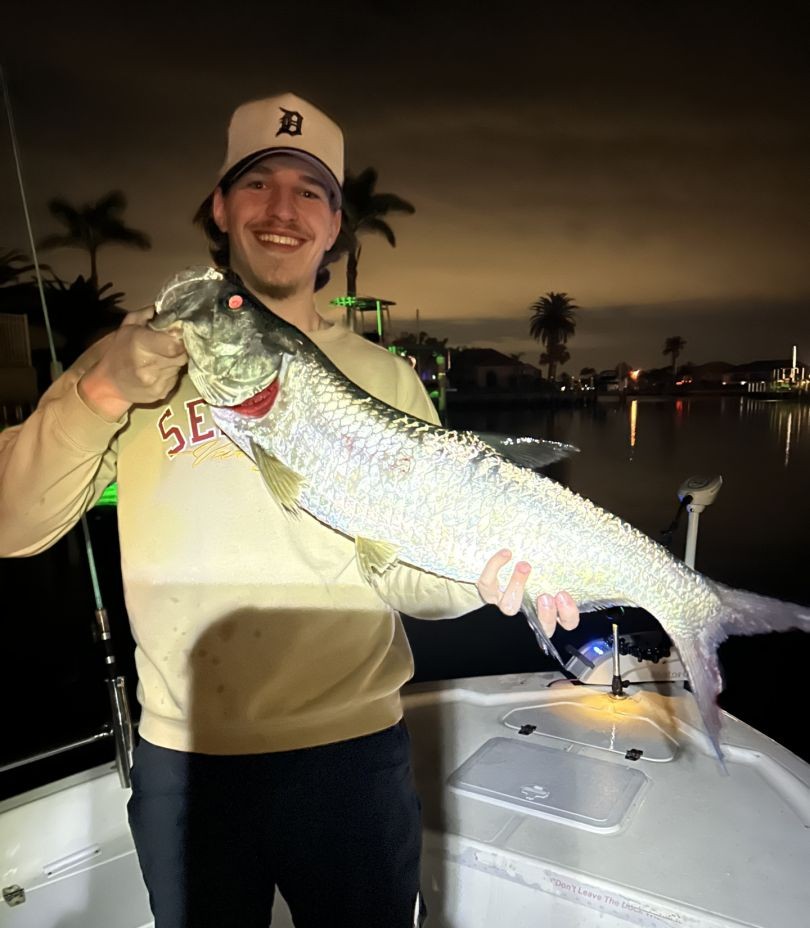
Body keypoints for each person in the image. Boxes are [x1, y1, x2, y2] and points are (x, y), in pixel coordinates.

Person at [0, 93, 579, 927]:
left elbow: (408, 574)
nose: (282, 210)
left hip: (353, 761)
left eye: (309, 190)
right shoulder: (127, 360)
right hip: (186, 763)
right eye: (258, 183)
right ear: (221, 206)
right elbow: (16, 528)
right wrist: (98, 392)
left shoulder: (386, 380)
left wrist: (481, 578)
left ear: (336, 222)